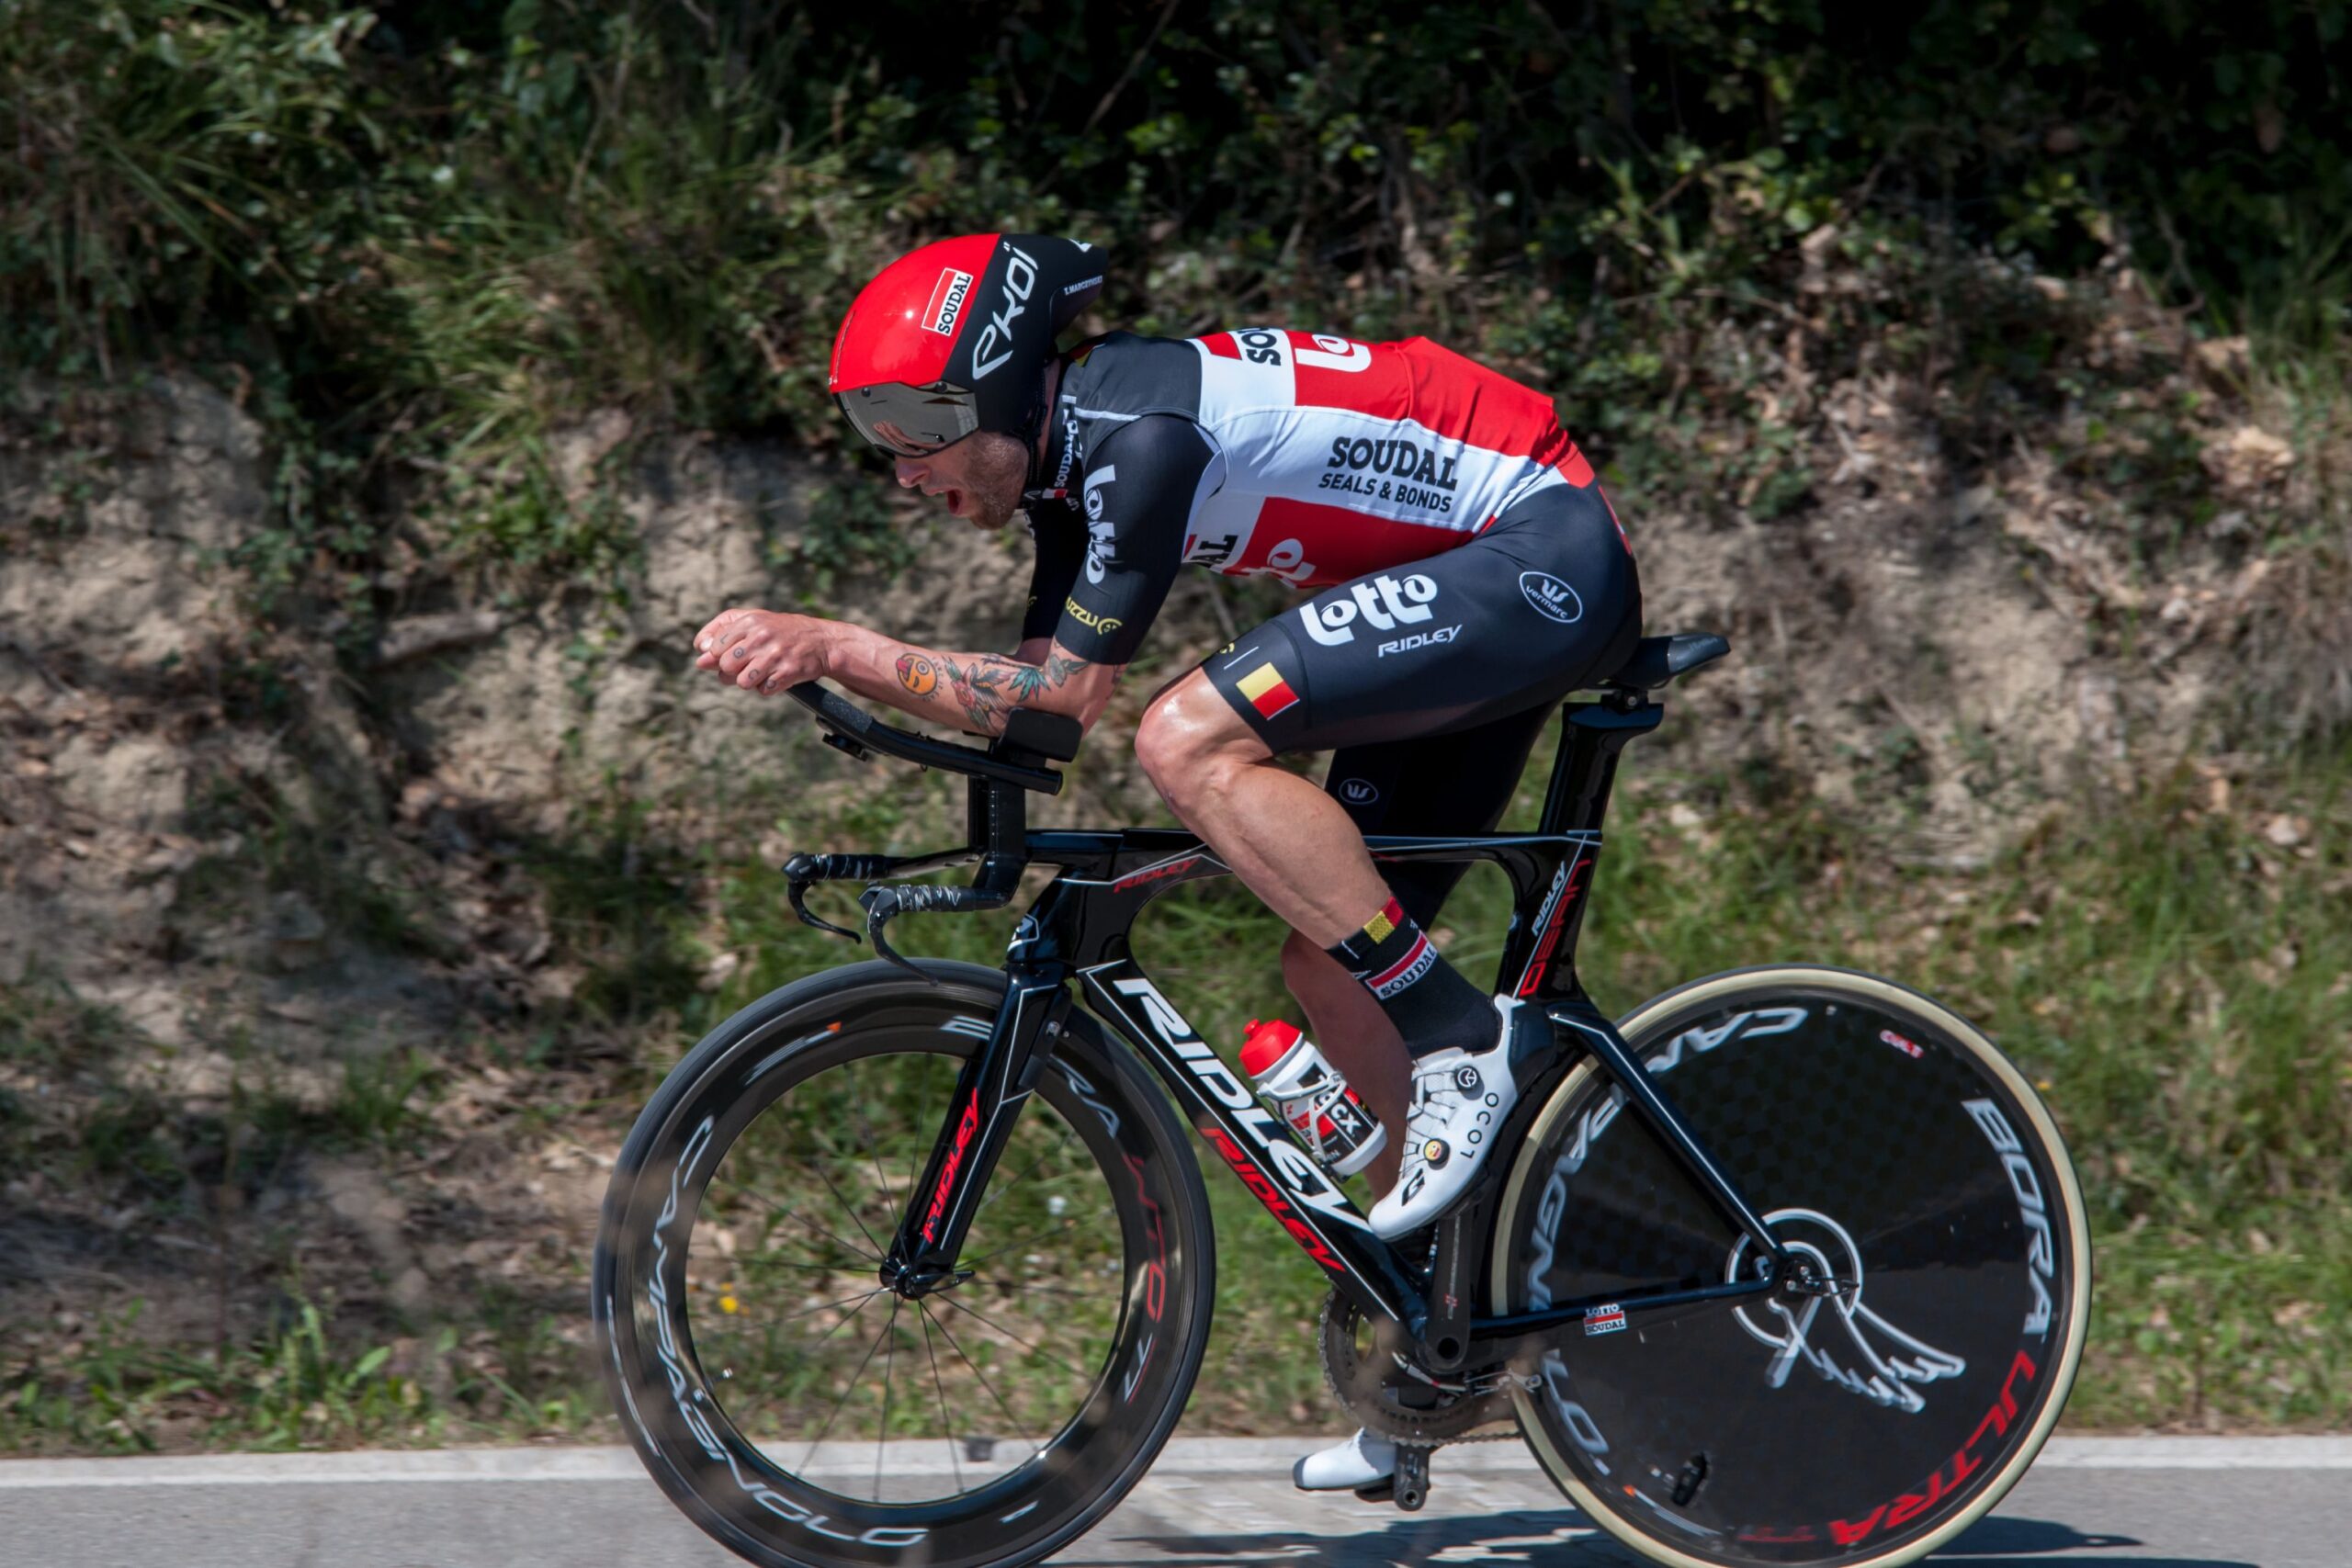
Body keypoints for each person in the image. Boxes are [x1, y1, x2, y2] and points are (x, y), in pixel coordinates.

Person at [692, 233, 1641, 1494]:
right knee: (1332, 969)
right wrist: (876, 722)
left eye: (920, 420)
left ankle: (1467, 1036)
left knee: (1187, 737)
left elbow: (1069, 702)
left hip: (1539, 550)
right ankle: (1444, 1346)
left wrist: (837, 642)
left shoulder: (1140, 439)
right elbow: (1029, 714)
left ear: (1007, 382)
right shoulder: (1067, 473)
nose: (903, 465)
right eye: (876, 429)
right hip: (1469, 577)